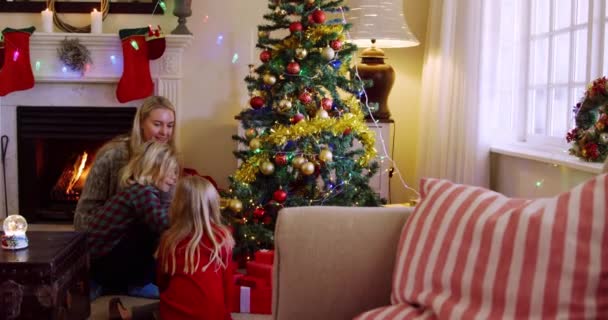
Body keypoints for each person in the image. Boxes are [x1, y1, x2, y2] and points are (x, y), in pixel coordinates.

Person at [109, 176, 235, 320]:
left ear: (177, 206)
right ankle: (130, 314)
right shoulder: (222, 238)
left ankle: (128, 315)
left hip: (173, 313)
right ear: (214, 206)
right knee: (180, 303)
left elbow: (162, 283)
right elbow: (227, 285)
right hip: (213, 315)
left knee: (170, 303)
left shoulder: (170, 239)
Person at [88, 141, 179, 299]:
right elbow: (162, 222)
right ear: (154, 169)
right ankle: (137, 283)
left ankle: (118, 283)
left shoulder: (139, 190)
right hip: (101, 262)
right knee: (148, 232)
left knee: (146, 234)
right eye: (171, 172)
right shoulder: (143, 193)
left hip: (103, 259)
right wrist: (190, 217)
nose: (174, 178)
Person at [74, 95, 176, 232]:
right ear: (141, 123)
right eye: (157, 124)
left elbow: (166, 212)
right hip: (111, 239)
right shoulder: (112, 156)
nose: (164, 132)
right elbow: (82, 217)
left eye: (170, 126)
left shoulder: (167, 159)